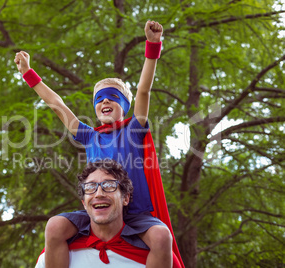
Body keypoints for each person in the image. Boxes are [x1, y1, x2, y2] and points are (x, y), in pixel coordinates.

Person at [15, 20, 180, 268]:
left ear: (123, 105)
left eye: (113, 97)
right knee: (56, 226)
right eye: (99, 99)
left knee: (161, 236)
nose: (105, 102)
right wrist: (29, 73)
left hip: (134, 214)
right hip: (99, 207)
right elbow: (57, 105)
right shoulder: (89, 135)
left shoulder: (134, 130)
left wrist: (153, 46)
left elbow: (144, 91)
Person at [35, 160, 170, 267]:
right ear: (83, 203)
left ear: (126, 198)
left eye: (109, 185)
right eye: (90, 187)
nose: (99, 194)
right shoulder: (54, 255)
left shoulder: (155, 256)